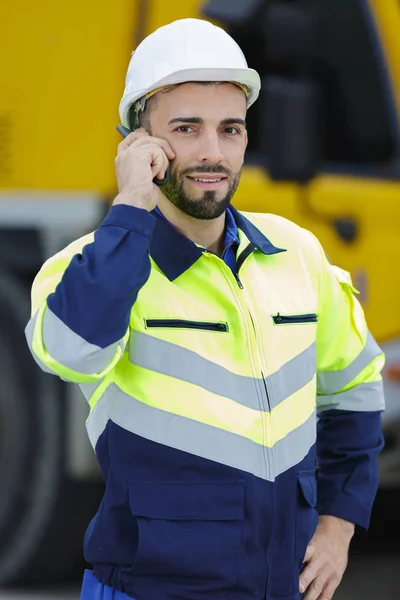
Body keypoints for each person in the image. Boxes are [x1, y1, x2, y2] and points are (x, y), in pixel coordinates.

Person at [25, 17, 385, 600]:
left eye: (231, 129)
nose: (213, 152)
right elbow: (73, 352)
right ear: (137, 140)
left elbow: (357, 389)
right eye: (186, 129)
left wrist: (340, 523)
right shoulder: (89, 266)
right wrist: (131, 208)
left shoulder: (298, 255)